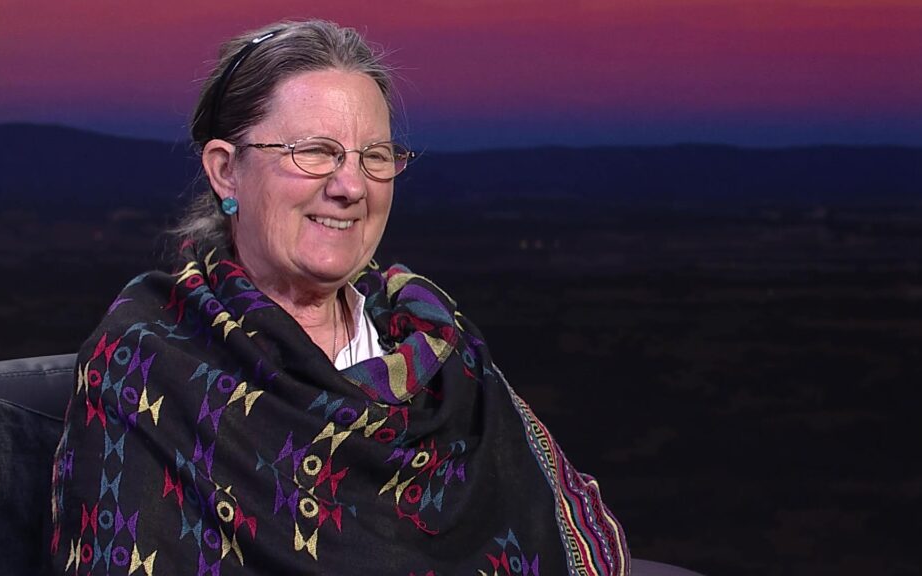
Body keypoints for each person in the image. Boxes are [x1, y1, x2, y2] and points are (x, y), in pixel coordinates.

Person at [50, 19, 629, 575]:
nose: (351, 186)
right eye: (316, 151)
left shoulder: (438, 345)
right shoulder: (148, 360)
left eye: (374, 156)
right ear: (227, 172)